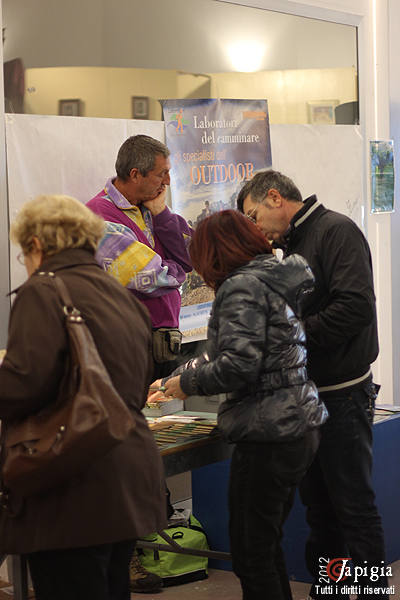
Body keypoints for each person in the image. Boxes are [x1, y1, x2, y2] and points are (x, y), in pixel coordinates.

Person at [150, 210, 327, 600]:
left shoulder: (241, 287)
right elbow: (231, 352)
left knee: (252, 553)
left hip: (270, 430)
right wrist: (171, 380)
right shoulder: (268, 280)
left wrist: (185, 384)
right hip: (295, 422)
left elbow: (239, 366)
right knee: (264, 546)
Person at [0, 195, 167, 600]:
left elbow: (24, 385)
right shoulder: (119, 294)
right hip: (127, 473)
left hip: (73, 480)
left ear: (37, 245)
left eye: (24, 253)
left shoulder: (44, 291)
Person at [237, 169, 387, 600]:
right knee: (321, 512)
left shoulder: (336, 231)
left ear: (274, 198)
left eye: (253, 215)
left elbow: (356, 307)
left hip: (342, 396)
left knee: (354, 509)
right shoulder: (288, 246)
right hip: (306, 397)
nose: (254, 226)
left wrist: (290, 333)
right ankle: (333, 590)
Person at [86, 134, 192, 380]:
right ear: (135, 174)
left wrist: (163, 214)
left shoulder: (150, 208)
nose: (167, 182)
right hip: (129, 347)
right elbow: (152, 278)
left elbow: (192, 255)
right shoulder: (100, 217)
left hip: (162, 342)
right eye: (161, 174)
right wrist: (179, 271)